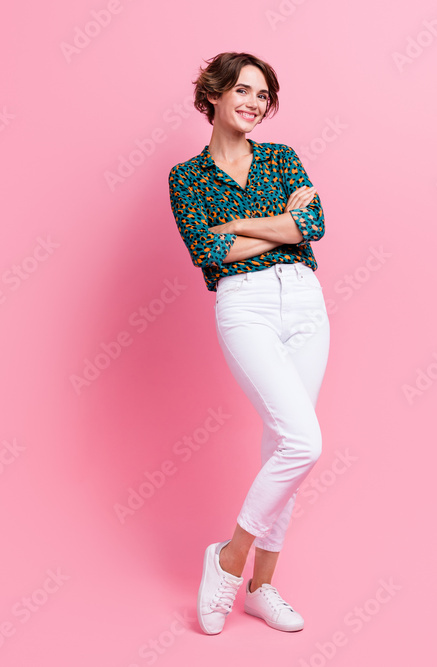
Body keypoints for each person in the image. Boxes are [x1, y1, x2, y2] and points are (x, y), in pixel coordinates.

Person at [167, 52, 331, 635]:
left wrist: (235, 225)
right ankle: (229, 559)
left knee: (280, 449)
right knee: (302, 442)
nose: (254, 103)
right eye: (242, 90)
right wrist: (270, 225)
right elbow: (207, 254)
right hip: (247, 306)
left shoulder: (282, 158)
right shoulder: (186, 177)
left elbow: (309, 228)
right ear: (212, 95)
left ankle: (261, 587)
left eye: (263, 95)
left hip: (306, 304)